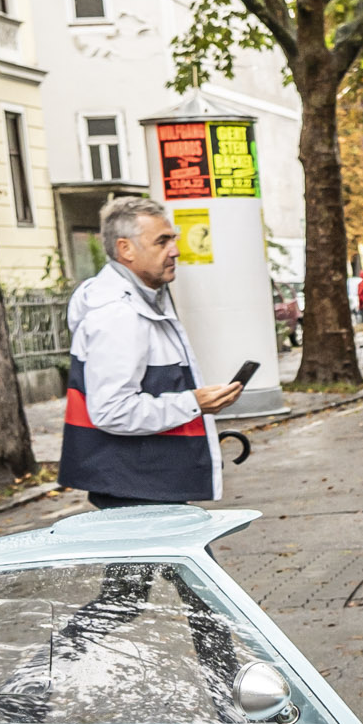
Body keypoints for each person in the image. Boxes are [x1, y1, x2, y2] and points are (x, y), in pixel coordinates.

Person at [56, 196, 246, 508]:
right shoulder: (119, 314)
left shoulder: (140, 300)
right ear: (125, 249)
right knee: (180, 560)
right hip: (136, 487)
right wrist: (193, 403)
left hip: (141, 484)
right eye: (162, 241)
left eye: (173, 239)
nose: (175, 250)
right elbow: (112, 410)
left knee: (182, 559)